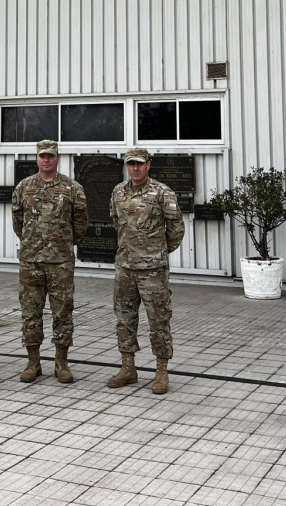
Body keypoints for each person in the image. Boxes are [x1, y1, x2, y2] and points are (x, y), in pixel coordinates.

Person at [106, 147, 184, 395]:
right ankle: (128, 368)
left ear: (149, 164)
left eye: (140, 163)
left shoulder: (162, 193)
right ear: (127, 166)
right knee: (124, 319)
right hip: (125, 267)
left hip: (152, 269)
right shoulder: (118, 192)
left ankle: (161, 372)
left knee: (158, 320)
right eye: (131, 164)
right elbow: (115, 221)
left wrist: (157, 252)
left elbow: (176, 229)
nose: (135, 168)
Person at [11, 139, 89, 383]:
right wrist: (32, 243)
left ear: (57, 158)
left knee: (63, 313)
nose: (46, 160)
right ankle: (33, 363)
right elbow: (18, 222)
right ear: (37, 158)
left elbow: (81, 224)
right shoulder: (24, 187)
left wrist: (63, 243)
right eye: (42, 156)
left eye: (51, 156)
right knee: (30, 313)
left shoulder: (72, 188)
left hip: (60, 262)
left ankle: (61, 363)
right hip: (31, 261)